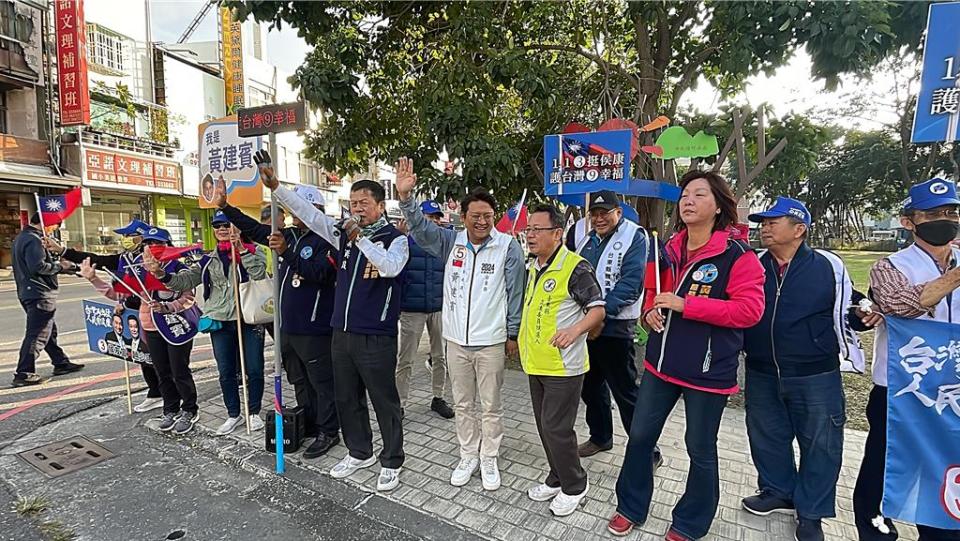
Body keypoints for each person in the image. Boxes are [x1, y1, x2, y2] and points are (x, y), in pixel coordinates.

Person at [607, 171, 765, 540]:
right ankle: (630, 506)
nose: (688, 201)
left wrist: (687, 305)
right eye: (685, 195)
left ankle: (690, 522)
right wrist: (651, 310)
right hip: (660, 365)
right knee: (641, 436)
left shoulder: (737, 255)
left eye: (699, 194)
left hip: (708, 372)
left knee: (700, 449)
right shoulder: (666, 248)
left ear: (718, 205)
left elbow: (749, 311)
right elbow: (652, 291)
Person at [260, 150, 408, 492]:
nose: (357, 208)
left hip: (376, 335)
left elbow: (389, 267)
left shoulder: (396, 239)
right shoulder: (341, 233)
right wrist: (278, 187)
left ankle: (392, 460)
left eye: (364, 202)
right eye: (353, 202)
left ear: (380, 206)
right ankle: (360, 451)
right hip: (340, 332)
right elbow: (309, 215)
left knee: (384, 400)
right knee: (346, 397)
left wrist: (360, 239)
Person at [741, 196, 867, 541]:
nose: (764, 227)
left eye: (773, 221)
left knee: (821, 443)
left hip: (815, 372)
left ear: (799, 229)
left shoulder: (827, 265)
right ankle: (778, 491)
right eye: (763, 222)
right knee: (766, 436)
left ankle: (811, 512)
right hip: (761, 368)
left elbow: (849, 305)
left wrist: (862, 317)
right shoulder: (752, 263)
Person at [395, 158, 525, 492]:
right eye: (475, 216)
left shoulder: (507, 247)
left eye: (487, 216)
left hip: (491, 343)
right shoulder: (450, 242)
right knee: (464, 404)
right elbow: (422, 230)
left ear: (493, 218)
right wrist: (406, 200)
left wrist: (512, 334)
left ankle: (489, 456)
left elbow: (515, 294)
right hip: (455, 342)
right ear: (463, 217)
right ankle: (468, 454)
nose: (482, 221)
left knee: (491, 405)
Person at [853, 178, 960, 541]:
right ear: (909, 221)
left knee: (945, 468)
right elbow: (900, 304)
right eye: (932, 213)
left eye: (951, 212)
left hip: (951, 389)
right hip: (900, 390)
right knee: (885, 469)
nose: (945, 219)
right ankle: (875, 531)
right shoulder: (891, 266)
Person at [218, 183, 342, 459]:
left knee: (321, 383)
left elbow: (319, 273)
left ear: (314, 210)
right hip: (287, 326)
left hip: (315, 327)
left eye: (299, 210)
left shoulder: (329, 238)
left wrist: (286, 252)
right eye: (292, 210)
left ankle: (329, 431)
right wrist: (226, 208)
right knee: (298, 379)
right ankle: (309, 423)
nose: (293, 215)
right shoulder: (290, 235)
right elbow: (254, 229)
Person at [144, 212, 267, 436]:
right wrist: (161, 274)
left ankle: (254, 412)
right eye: (217, 225)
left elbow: (258, 273)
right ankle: (233, 414)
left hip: (249, 318)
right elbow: (186, 280)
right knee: (226, 371)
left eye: (227, 224)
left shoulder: (254, 251)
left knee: (255, 368)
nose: (222, 229)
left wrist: (240, 249)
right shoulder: (208, 258)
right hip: (220, 320)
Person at [520, 203, 605, 517]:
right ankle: (556, 477)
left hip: (563, 366)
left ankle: (575, 484)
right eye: (528, 229)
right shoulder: (535, 265)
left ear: (557, 233)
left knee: (557, 428)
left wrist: (574, 330)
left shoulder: (575, 267)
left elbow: (597, 309)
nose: (530, 235)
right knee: (545, 427)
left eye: (536, 229)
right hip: (536, 362)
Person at [565, 190, 650, 461]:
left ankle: (648, 452)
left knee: (625, 393)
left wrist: (600, 316)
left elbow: (631, 285)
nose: (599, 218)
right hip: (587, 327)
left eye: (605, 213)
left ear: (618, 212)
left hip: (616, 327)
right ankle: (601, 437)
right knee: (590, 388)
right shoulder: (587, 240)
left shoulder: (634, 236)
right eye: (595, 214)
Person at [46, 218, 164, 411]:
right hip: (132, 314)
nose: (125, 239)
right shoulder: (124, 259)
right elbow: (97, 260)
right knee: (141, 355)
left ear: (142, 238)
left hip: (155, 315)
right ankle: (155, 392)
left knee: (159, 359)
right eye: (124, 236)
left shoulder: (154, 258)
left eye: (129, 235)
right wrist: (62, 251)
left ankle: (169, 395)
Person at [395, 200, 455, 419]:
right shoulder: (405, 242)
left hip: (439, 308)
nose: (435, 221)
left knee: (440, 356)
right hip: (412, 309)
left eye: (437, 217)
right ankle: (399, 403)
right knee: (406, 359)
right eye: (430, 217)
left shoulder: (444, 244)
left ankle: (438, 397)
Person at [11, 213, 84, 387]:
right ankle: (24, 372)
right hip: (39, 292)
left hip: (28, 290)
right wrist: (61, 266)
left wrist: (72, 268)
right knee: (39, 333)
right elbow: (39, 266)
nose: (54, 230)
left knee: (48, 329)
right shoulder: (33, 239)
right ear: (49, 224)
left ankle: (60, 362)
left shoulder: (23, 237)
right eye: (56, 226)